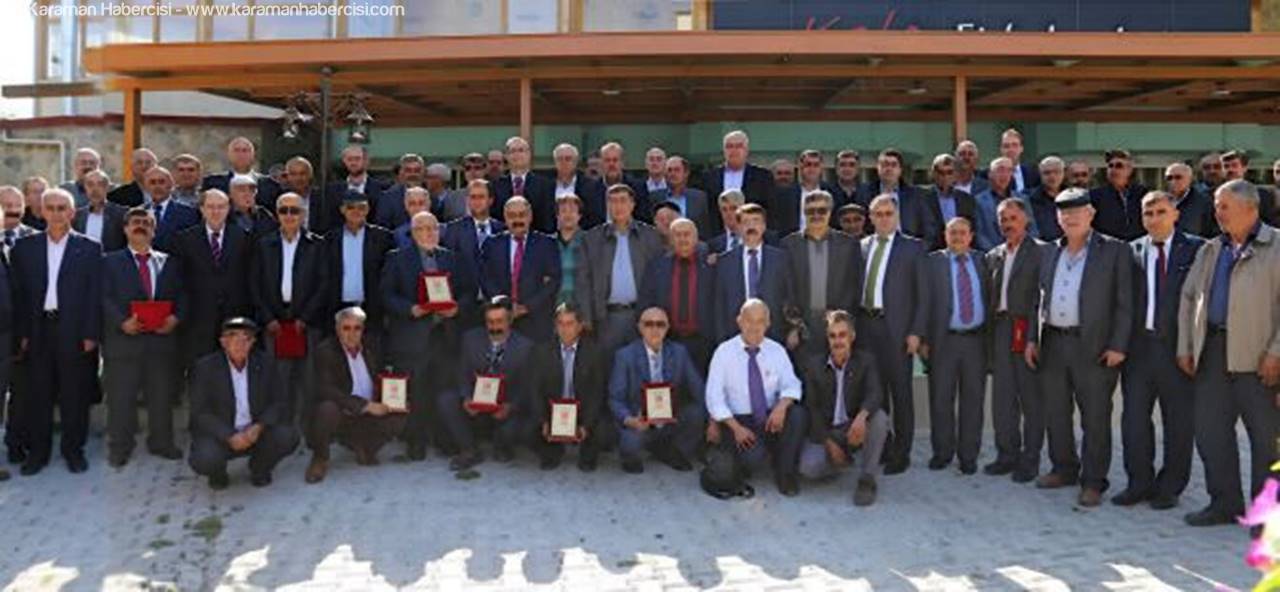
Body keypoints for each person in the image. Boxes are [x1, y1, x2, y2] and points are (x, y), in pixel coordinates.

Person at [1177, 179, 1280, 526]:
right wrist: (1186, 346)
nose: (1217, 212)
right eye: (1216, 206)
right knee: (1211, 434)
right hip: (1213, 354)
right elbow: (1188, 297)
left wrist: (1276, 353)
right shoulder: (1211, 249)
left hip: (1260, 358)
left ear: (1250, 209)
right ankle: (1224, 503)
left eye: (1224, 206)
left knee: (1266, 441)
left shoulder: (1276, 246)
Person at [1026, 188, 1133, 507]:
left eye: (1077, 211)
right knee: (1056, 412)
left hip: (1094, 347)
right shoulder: (1048, 251)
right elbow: (1037, 300)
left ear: (1091, 214)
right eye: (1064, 212)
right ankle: (1064, 468)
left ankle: (1093, 481)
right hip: (1053, 343)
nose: (1070, 217)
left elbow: (1125, 302)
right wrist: (1032, 338)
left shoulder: (1114, 250)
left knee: (1095, 417)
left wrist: (1118, 345)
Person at [1113, 191, 1204, 510]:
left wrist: (1192, 347)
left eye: (1161, 212)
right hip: (1139, 350)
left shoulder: (1196, 249)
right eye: (1148, 213)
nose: (1154, 219)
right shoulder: (1131, 250)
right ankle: (1138, 482)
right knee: (1134, 421)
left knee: (1178, 422)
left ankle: (1170, 486)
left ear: (1175, 214)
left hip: (1177, 350)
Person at [10, 188, 103, 475]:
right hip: (38, 330)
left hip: (74, 331)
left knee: (74, 395)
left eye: (62, 208)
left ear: (72, 213)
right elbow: (18, 295)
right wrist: (22, 334)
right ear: (41, 212)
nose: (56, 213)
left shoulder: (89, 248)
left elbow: (94, 295)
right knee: (39, 395)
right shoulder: (24, 248)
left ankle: (73, 451)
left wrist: (91, 334)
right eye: (50, 208)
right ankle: (38, 453)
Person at [381, 211, 473, 460]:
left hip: (445, 334)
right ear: (412, 233)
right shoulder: (397, 258)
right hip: (413, 335)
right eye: (421, 228)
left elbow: (468, 291)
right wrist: (410, 309)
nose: (427, 233)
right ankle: (416, 441)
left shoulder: (452, 258)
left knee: (443, 387)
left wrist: (457, 308)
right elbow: (386, 294)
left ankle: (443, 439)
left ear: (439, 231)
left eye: (432, 228)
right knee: (417, 389)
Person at [101, 207, 185, 467]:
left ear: (154, 230)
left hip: (161, 342)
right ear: (125, 229)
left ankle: (161, 442)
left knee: (161, 397)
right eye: (135, 222)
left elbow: (183, 295)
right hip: (124, 341)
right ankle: (120, 446)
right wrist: (121, 322)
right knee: (121, 399)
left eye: (146, 223)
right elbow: (103, 297)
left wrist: (176, 318)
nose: (140, 226)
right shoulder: (108, 261)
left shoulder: (169, 262)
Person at [705, 299, 809, 496]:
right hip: (739, 421)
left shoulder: (777, 350)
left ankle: (785, 474)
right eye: (749, 320)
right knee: (753, 458)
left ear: (768, 324)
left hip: (771, 417)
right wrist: (736, 428)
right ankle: (749, 460)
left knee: (797, 414)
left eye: (760, 321)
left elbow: (792, 384)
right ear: (739, 321)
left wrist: (782, 406)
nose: (754, 327)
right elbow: (714, 398)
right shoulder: (723, 353)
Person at [188, 317, 299, 489]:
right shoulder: (205, 367)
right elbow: (200, 412)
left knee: (287, 436)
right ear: (223, 342)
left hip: (255, 432)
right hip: (222, 435)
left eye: (246, 338)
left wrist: (259, 426)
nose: (239, 343)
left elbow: (278, 402)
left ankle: (259, 468)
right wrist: (229, 435)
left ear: (253, 342)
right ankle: (218, 473)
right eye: (233, 337)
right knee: (204, 458)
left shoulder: (265, 363)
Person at [858, 195, 926, 475]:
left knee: (901, 393)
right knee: (876, 391)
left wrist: (916, 332)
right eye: (878, 214)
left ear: (897, 216)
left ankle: (902, 453)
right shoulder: (862, 246)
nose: (884, 218)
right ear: (871, 217)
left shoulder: (913, 247)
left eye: (888, 213)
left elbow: (923, 296)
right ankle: (883, 446)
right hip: (866, 327)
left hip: (897, 330)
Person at [983, 198, 1048, 483]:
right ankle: (1006, 455)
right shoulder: (993, 255)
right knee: (1003, 399)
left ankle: (1030, 460)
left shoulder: (1042, 252)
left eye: (1012, 218)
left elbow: (1041, 299)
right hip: (1000, 330)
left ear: (1026, 220)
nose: (1007, 224)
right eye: (1003, 219)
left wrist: (1034, 337)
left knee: (1031, 400)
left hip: (1026, 329)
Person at [305, 307, 408, 483]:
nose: (352, 334)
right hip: (343, 413)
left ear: (363, 330)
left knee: (401, 413)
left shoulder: (372, 347)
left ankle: (365, 448)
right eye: (346, 328)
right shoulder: (325, 350)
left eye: (357, 328)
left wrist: (395, 399)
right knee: (327, 409)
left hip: (369, 412)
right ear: (337, 330)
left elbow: (384, 375)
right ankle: (320, 458)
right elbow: (326, 389)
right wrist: (365, 405)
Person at [250, 192, 328, 422]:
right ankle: (280, 428)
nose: (289, 215)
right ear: (277, 214)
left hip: (307, 324)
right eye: (284, 210)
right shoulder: (264, 244)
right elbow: (254, 284)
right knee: (278, 380)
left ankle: (307, 429)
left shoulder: (317, 244)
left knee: (308, 380)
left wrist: (305, 318)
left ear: (303, 214)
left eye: (295, 210)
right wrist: (268, 318)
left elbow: (324, 284)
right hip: (274, 323)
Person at [797, 310, 888, 506]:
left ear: (852, 336)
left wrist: (862, 417)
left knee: (880, 419)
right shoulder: (814, 366)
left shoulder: (866, 361)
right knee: (808, 467)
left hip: (854, 427)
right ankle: (841, 461)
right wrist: (829, 443)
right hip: (829, 431)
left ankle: (867, 480)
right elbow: (812, 408)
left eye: (842, 335)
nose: (837, 341)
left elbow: (875, 393)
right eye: (832, 336)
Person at [920, 217, 988, 475]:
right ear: (945, 235)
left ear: (971, 236)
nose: (957, 237)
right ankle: (942, 452)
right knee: (941, 399)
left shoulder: (983, 261)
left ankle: (968, 456)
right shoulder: (931, 262)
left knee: (973, 400)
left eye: (962, 232)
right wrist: (923, 339)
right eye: (952, 232)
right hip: (943, 341)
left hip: (976, 341)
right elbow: (923, 301)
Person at [436, 296, 536, 471]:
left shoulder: (526, 347)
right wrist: (466, 398)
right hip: (477, 402)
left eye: (499, 321)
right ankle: (469, 450)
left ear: (510, 321)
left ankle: (502, 446)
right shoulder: (470, 339)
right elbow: (462, 372)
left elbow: (527, 386)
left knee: (520, 425)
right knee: (446, 399)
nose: (494, 327)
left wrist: (510, 406)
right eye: (490, 322)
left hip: (505, 406)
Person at [610, 306, 707, 474]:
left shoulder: (679, 352)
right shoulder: (625, 356)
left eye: (660, 324)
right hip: (639, 420)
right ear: (640, 328)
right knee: (630, 444)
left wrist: (713, 420)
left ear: (667, 328)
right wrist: (630, 420)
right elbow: (615, 398)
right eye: (649, 324)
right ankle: (633, 455)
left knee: (698, 413)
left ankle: (673, 450)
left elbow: (698, 389)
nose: (655, 329)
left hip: (671, 418)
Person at [576, 184, 664, 353]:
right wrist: (586, 317)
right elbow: (583, 281)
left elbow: (660, 278)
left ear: (632, 204)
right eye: (612, 201)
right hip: (606, 318)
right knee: (607, 365)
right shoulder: (592, 238)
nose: (618, 206)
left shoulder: (650, 236)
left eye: (623, 201)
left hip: (642, 317)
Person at [173, 189, 254, 370]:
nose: (216, 211)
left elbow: (249, 278)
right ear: (201, 209)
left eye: (221, 207)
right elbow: (180, 281)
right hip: (198, 318)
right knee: (201, 370)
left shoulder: (243, 238)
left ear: (228, 209)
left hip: (234, 316)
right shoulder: (184, 239)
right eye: (210, 207)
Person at [532, 303, 611, 472]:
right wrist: (543, 420)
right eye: (560, 323)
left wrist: (586, 424)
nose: (564, 329)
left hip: (582, 411)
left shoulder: (595, 352)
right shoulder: (541, 351)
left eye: (569, 323)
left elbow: (597, 393)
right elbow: (535, 391)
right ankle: (552, 451)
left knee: (604, 429)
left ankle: (587, 454)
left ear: (580, 326)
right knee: (527, 429)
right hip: (552, 411)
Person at [781, 190, 863, 349]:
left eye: (822, 210)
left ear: (830, 212)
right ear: (804, 213)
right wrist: (793, 326)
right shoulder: (788, 245)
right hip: (802, 328)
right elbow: (785, 289)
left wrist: (843, 320)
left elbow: (854, 287)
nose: (816, 215)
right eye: (810, 211)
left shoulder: (849, 245)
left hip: (839, 330)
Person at [479, 196, 561, 342]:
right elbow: (485, 278)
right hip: (500, 319)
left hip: (536, 319)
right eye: (512, 215)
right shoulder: (492, 244)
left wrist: (527, 307)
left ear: (530, 216)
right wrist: (504, 306)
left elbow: (554, 281)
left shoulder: (547, 244)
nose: (517, 220)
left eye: (522, 214)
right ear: (505, 218)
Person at [639, 218, 716, 372]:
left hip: (704, 342)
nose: (682, 239)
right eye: (677, 235)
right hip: (668, 341)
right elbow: (646, 302)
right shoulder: (656, 267)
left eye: (687, 234)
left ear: (696, 238)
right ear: (670, 239)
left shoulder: (711, 267)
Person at [713, 203, 792, 343]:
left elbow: (789, 297)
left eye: (756, 221)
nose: (751, 227)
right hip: (735, 335)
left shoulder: (781, 259)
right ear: (738, 227)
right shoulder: (724, 261)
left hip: (773, 333)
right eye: (746, 222)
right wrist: (721, 339)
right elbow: (719, 305)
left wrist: (791, 329)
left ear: (764, 226)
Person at [323, 191, 393, 336]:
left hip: (372, 307)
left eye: (361, 207)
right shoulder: (330, 239)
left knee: (372, 347)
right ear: (342, 210)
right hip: (337, 306)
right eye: (350, 207)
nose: (356, 211)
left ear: (368, 210)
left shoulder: (383, 237)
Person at [702, 130, 774, 233]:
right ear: (724, 150)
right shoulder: (709, 177)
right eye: (729, 146)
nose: (733, 150)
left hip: (752, 234)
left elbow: (769, 210)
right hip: (719, 235)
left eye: (738, 146)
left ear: (747, 150)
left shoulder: (762, 176)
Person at [857, 148, 932, 242]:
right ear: (878, 168)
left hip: (908, 247)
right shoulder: (864, 193)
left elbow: (929, 228)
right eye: (885, 165)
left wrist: (919, 248)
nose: (889, 169)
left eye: (893, 165)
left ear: (900, 169)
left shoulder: (916, 195)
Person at [492, 136, 556, 233]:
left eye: (521, 150)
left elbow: (548, 218)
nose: (517, 154)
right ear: (506, 156)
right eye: (513, 151)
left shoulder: (545, 185)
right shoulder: (496, 186)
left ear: (529, 154)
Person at [201, 137, 281, 210]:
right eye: (236, 150)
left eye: (245, 150)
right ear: (229, 154)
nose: (241, 154)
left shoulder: (270, 184)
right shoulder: (213, 183)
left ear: (253, 155)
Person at [920, 154, 977, 251]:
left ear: (956, 174)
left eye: (949, 172)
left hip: (960, 248)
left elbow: (972, 228)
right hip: (931, 251)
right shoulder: (921, 196)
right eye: (940, 172)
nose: (945, 176)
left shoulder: (967, 199)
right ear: (933, 173)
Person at [1089, 149, 1149, 241]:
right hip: (1108, 247)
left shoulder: (1142, 193)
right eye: (1110, 166)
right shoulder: (1095, 196)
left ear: (1129, 170)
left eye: (1119, 166)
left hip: (1138, 245)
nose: (1113, 169)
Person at [650, 156, 712, 239]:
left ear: (686, 173)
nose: (672, 174)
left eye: (677, 170)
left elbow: (705, 228)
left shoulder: (700, 198)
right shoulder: (654, 197)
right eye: (669, 170)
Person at [141, 166, 201, 251]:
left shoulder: (189, 214)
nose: (157, 186)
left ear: (171, 185)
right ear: (146, 186)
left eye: (161, 182)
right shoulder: (137, 213)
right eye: (152, 182)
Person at [551, 143, 607, 229]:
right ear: (555, 162)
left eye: (568, 159)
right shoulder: (545, 186)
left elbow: (597, 217)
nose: (564, 162)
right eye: (560, 159)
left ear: (576, 161)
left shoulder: (593, 187)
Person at [72, 168, 126, 252]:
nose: (95, 189)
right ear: (85, 188)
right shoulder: (77, 216)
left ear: (107, 187)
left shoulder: (122, 214)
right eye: (90, 184)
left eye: (100, 184)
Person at [1164, 162, 1218, 239]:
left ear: (1189, 179)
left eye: (1178, 177)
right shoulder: (1161, 202)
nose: (1173, 181)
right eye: (1169, 178)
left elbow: (1214, 233)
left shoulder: (1205, 203)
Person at [553, 193, 585, 307]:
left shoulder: (590, 243)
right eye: (563, 211)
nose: (568, 214)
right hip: (552, 307)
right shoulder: (548, 244)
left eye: (572, 210)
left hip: (581, 306)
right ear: (557, 215)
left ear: (579, 215)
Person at [1027, 156, 1067, 243]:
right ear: (1040, 175)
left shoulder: (1072, 197)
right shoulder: (1029, 199)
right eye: (1047, 173)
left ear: (1063, 173)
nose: (1052, 176)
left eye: (1056, 172)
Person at [227, 174, 279, 238]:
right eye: (242, 190)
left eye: (252, 190)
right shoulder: (223, 215)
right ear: (230, 194)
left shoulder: (264, 214)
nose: (248, 194)